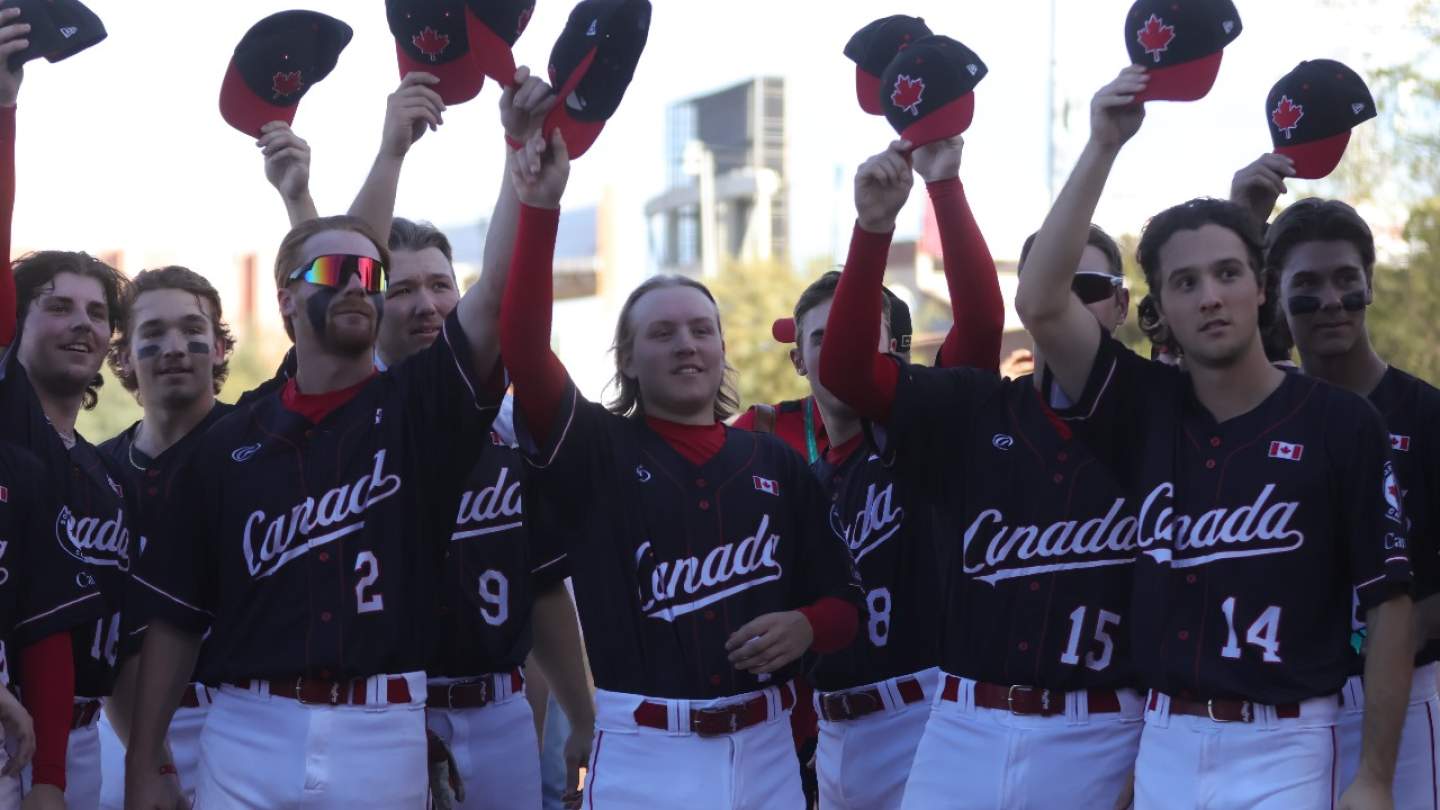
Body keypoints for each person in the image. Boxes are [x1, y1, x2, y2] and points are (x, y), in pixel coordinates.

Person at [1014, 65, 1414, 810]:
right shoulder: (1140, 406)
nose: (1211, 296)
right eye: (1185, 282)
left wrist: (1376, 775)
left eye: (1228, 272)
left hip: (1295, 742)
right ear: (1159, 307)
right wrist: (1103, 145)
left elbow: (1390, 605)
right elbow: (1039, 299)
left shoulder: (1340, 422)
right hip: (1166, 740)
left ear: (1261, 285)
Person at [123, 71, 511, 810]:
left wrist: (521, 164)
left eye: (373, 274)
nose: (362, 285)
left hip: (384, 725)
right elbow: (174, 619)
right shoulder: (229, 438)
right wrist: (147, 764)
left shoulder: (416, 407)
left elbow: (494, 296)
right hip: (247, 724)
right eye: (338, 274)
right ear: (287, 298)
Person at [499, 126, 864, 809]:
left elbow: (847, 603)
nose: (687, 344)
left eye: (702, 329)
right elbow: (521, 347)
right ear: (629, 361)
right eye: (661, 333)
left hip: (767, 749)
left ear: (724, 350)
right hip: (646, 752)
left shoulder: (774, 461)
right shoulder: (597, 448)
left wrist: (810, 623)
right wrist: (541, 208)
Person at [261, 69, 597, 810]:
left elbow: (543, 585)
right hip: (379, 709)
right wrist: (306, 197)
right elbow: (336, 270)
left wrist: (581, 710)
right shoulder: (347, 411)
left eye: (440, 285)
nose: (424, 304)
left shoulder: (508, 427)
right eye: (402, 288)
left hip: (499, 704)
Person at [820, 139, 1145, 810]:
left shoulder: (1163, 412)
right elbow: (850, 371)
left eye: (1086, 288)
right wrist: (878, 223)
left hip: (1108, 722)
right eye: (1048, 286)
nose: (1066, 303)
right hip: (964, 722)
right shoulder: (974, 409)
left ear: (1119, 305)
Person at [792, 132, 1012, 810]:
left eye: (853, 334)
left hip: (928, 716)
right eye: (820, 340)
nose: (837, 355)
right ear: (798, 361)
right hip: (836, 735)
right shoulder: (804, 480)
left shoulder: (926, 428)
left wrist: (941, 187)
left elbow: (978, 323)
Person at [1238, 180, 1440, 807]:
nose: (1330, 300)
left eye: (1345, 278)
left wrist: (1381, 639)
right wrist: (1245, 214)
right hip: (1286, 707)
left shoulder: (1427, 416)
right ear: (1273, 295)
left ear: (1371, 283)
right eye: (1306, 284)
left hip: (1408, 700)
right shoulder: (1261, 416)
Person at [0, 15, 129, 807]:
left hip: (88, 739)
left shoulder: (104, 472)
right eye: (57, 305)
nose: (82, 322)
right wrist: (6, 112)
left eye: (96, 311)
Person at [94, 267, 236, 809]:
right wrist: (148, 757)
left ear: (221, 347)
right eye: (152, 334)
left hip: (243, 715)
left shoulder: (260, 448)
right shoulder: (95, 474)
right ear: (124, 356)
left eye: (192, 329)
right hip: (121, 722)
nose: (174, 347)